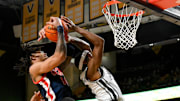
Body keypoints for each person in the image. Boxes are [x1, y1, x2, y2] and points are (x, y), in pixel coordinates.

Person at [61, 16, 124, 101]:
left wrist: (71, 39)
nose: (91, 54)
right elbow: (99, 42)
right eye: (88, 56)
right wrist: (76, 28)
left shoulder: (89, 69)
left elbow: (86, 46)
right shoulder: (91, 72)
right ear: (85, 63)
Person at [29, 17, 75, 101]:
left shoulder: (53, 69)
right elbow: (60, 56)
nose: (44, 53)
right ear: (33, 58)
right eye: (40, 52)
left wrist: (51, 31)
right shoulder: (34, 68)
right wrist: (59, 29)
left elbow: (68, 53)